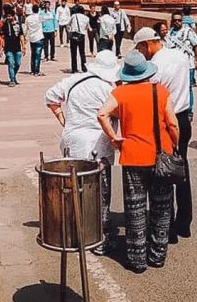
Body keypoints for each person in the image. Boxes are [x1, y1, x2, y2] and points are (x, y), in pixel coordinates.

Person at [98, 50, 179, 273]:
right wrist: (174, 145)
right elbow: (172, 124)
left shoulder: (120, 92)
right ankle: (157, 254)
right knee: (161, 206)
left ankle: (137, 258)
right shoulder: (161, 91)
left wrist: (114, 138)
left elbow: (102, 114)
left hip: (133, 156)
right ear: (146, 72)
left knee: (135, 207)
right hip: (160, 154)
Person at [45, 50, 120, 254]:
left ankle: (74, 232)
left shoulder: (74, 80)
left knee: (73, 189)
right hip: (97, 144)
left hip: (71, 141)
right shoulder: (108, 88)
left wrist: (64, 120)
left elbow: (50, 97)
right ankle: (98, 237)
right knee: (99, 193)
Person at [133, 27, 194, 242]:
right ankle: (184, 223)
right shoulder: (180, 56)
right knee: (181, 169)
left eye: (140, 49)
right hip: (184, 117)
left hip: (166, 121)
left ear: (147, 44)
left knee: (164, 173)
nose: (141, 53)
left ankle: (166, 229)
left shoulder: (156, 65)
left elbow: (150, 94)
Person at [166, 11, 197, 91]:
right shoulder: (168, 34)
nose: (177, 22)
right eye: (175, 20)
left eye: (179, 20)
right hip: (174, 66)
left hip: (188, 65)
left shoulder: (188, 31)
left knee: (188, 89)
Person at [0, 5, 25, 86]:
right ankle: (12, 80)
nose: (9, 17)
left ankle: (13, 76)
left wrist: (23, 46)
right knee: (11, 63)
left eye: (10, 16)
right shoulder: (4, 25)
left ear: (13, 16)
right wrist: (1, 47)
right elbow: (2, 37)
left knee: (18, 63)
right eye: (7, 16)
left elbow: (21, 35)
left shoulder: (18, 24)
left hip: (17, 47)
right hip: (8, 48)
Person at [24, 4, 45, 76]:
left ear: (32, 9)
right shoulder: (39, 17)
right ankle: (37, 71)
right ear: (38, 9)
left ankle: (32, 70)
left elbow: (25, 29)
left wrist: (24, 37)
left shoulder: (28, 18)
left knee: (33, 54)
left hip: (32, 38)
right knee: (38, 55)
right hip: (39, 37)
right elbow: (49, 17)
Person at [67, 5, 90, 73]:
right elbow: (86, 28)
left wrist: (70, 31)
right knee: (82, 53)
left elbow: (68, 24)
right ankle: (84, 68)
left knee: (73, 53)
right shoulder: (86, 18)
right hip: (81, 36)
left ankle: (74, 68)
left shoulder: (74, 16)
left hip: (74, 35)